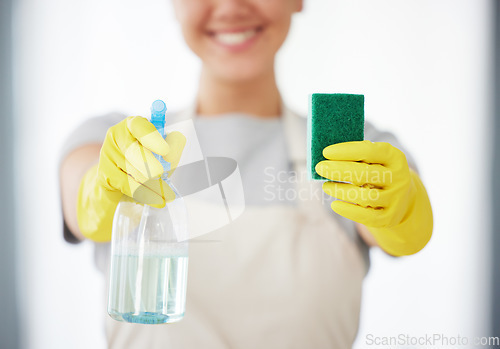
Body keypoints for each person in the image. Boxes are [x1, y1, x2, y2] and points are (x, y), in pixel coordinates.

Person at [59, 0, 433, 348]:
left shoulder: (356, 150)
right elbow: (83, 209)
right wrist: (101, 192)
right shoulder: (110, 145)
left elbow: (404, 228)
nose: (231, 6)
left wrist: (403, 211)